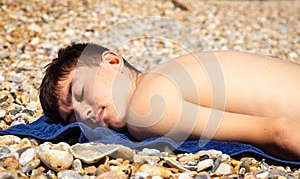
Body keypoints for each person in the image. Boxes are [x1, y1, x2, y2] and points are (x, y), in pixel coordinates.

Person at [39, 43, 300, 160]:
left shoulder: (145, 110)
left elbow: (279, 132)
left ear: (112, 62)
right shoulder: (167, 74)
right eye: (72, 118)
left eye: (81, 91)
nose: (85, 113)